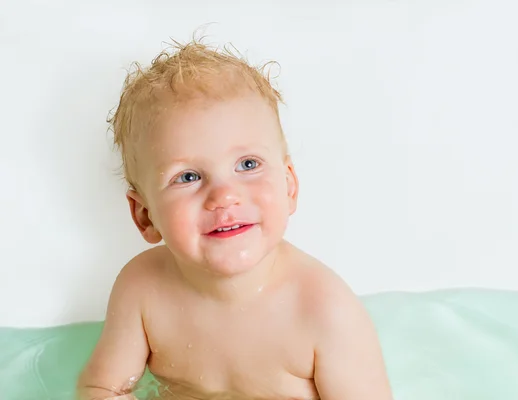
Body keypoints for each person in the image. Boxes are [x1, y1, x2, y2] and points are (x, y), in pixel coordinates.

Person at [77, 34, 393, 400]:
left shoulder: (324, 310)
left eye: (248, 164)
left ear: (289, 186)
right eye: (188, 177)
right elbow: (103, 387)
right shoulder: (142, 289)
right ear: (145, 216)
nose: (224, 196)